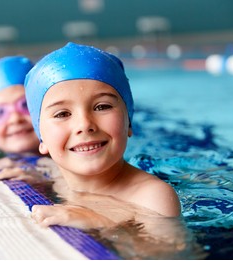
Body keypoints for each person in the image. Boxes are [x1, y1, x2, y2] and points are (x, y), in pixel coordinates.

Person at [24, 42, 181, 230]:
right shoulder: (57, 177)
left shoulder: (153, 197)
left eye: (102, 107)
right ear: (41, 138)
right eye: (62, 114)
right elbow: (44, 167)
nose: (85, 125)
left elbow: (171, 255)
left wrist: (100, 222)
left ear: (129, 122)